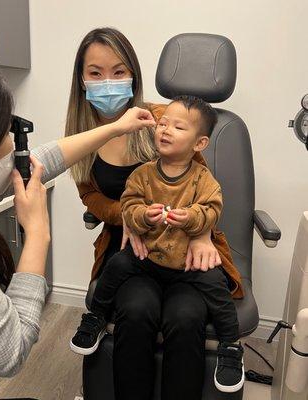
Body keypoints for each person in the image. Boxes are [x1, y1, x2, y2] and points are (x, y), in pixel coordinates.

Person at [0, 41, 155, 400]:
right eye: (4, 128)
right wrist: (37, 235)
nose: (10, 142)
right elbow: (8, 352)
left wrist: (115, 128)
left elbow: (35, 162)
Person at [65, 27, 243, 400]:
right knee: (136, 310)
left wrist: (200, 232)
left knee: (186, 317)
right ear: (81, 80)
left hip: (186, 247)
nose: (107, 82)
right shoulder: (80, 135)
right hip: (133, 254)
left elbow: (199, 181)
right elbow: (92, 201)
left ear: (133, 74)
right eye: (95, 73)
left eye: (118, 71)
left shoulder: (162, 118)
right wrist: (129, 215)